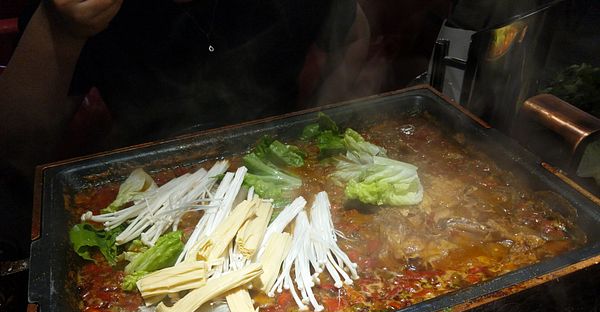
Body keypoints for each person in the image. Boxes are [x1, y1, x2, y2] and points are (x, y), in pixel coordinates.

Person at [0, 0, 370, 180]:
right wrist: (63, 28)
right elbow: (15, 148)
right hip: (147, 178)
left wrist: (319, 132)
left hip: (277, 162)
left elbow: (354, 35)